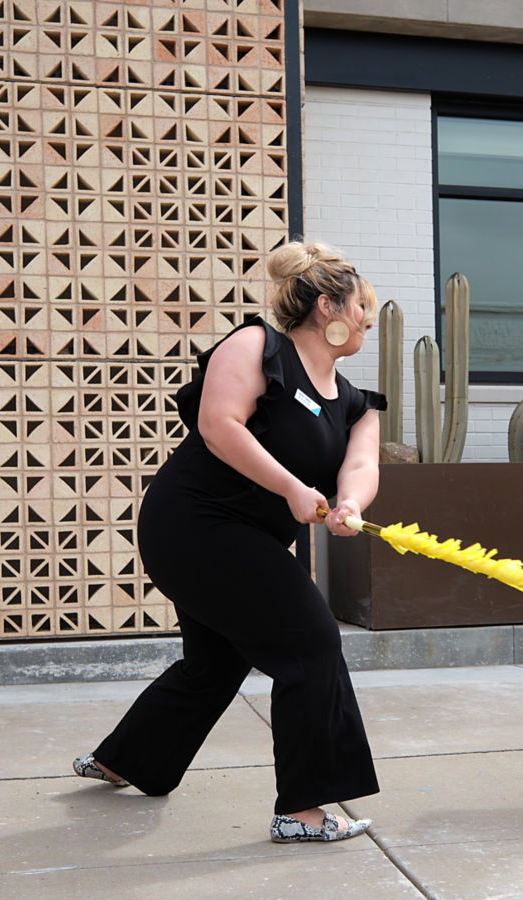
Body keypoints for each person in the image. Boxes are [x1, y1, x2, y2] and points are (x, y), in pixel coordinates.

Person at [73, 240, 385, 843]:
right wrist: (294, 488)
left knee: (215, 662)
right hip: (194, 523)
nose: (369, 318)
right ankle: (302, 811)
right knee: (312, 641)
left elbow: (361, 465)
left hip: (248, 538)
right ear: (328, 307)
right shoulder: (256, 346)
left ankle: (126, 758)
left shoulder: (354, 402)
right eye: (363, 306)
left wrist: (351, 504)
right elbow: (218, 426)